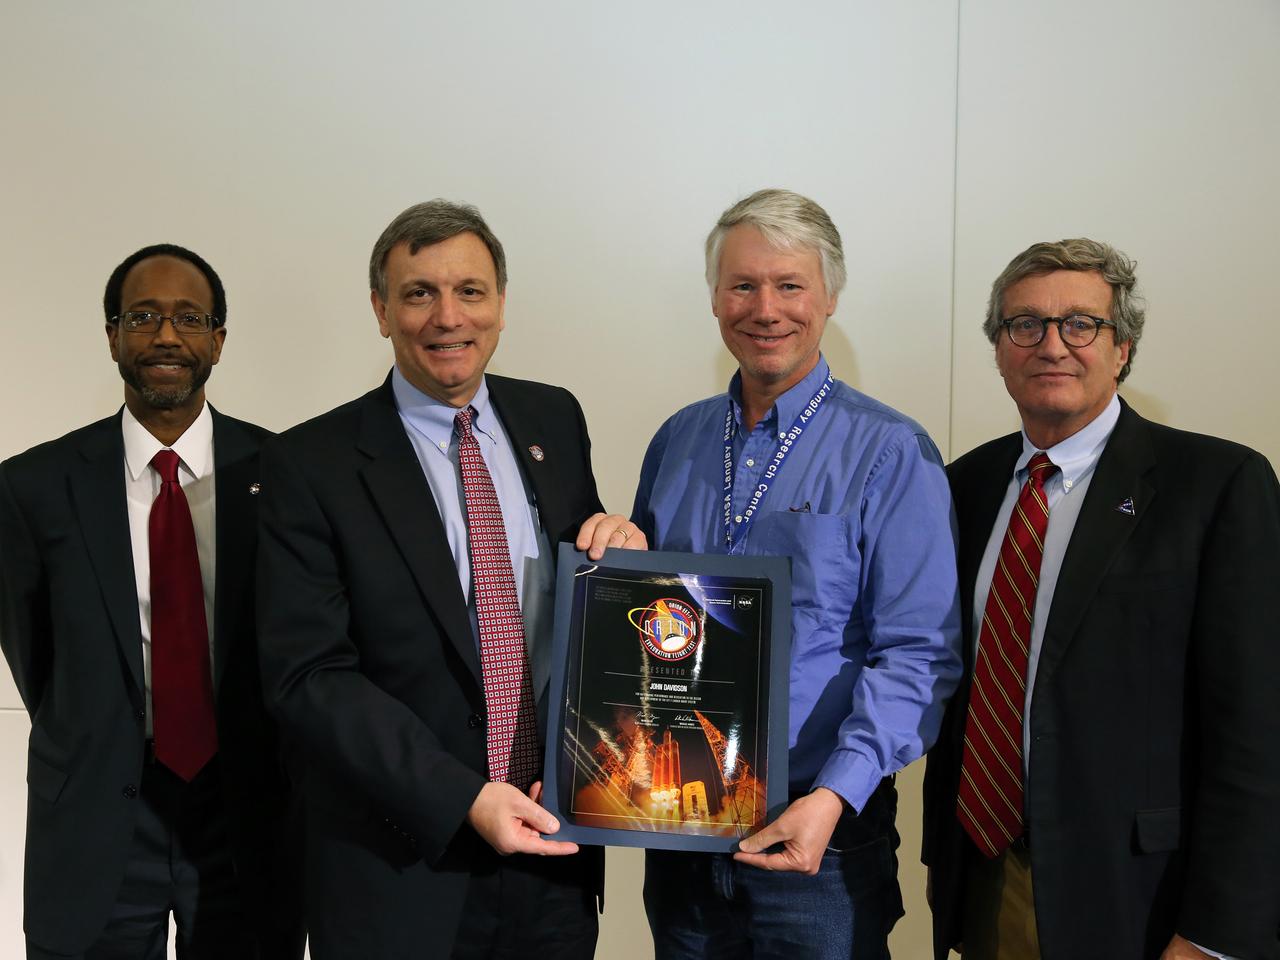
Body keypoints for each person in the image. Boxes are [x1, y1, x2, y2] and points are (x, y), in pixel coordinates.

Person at [256, 199, 642, 959]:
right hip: (398, 868)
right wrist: (460, 797)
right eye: (418, 293)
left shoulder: (553, 419)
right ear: (380, 309)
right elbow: (308, 676)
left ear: (501, 303)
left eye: (470, 290)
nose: (447, 317)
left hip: (553, 854)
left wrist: (616, 547)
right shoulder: (311, 464)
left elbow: (573, 599)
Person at [581, 188, 963, 958]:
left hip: (819, 839)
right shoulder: (678, 441)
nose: (766, 308)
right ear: (716, 297)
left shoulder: (891, 451)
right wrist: (613, 554)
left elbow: (920, 654)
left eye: (790, 285)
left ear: (828, 297)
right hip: (681, 832)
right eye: (743, 285)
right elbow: (656, 624)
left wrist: (833, 798)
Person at [922, 238, 1280, 960]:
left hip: (1144, 898)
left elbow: (1256, 730)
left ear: (1122, 349)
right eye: (1026, 324)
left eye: (1080, 324)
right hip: (986, 877)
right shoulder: (959, 487)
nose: (1052, 345)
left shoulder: (1216, 485)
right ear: (999, 349)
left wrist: (1217, 936)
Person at [0, 244, 304, 959]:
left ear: (218, 341)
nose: (166, 335)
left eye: (188, 318)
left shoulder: (286, 474)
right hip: (96, 818)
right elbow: (37, 662)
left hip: (246, 815)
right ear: (112, 336)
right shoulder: (32, 487)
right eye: (143, 316)